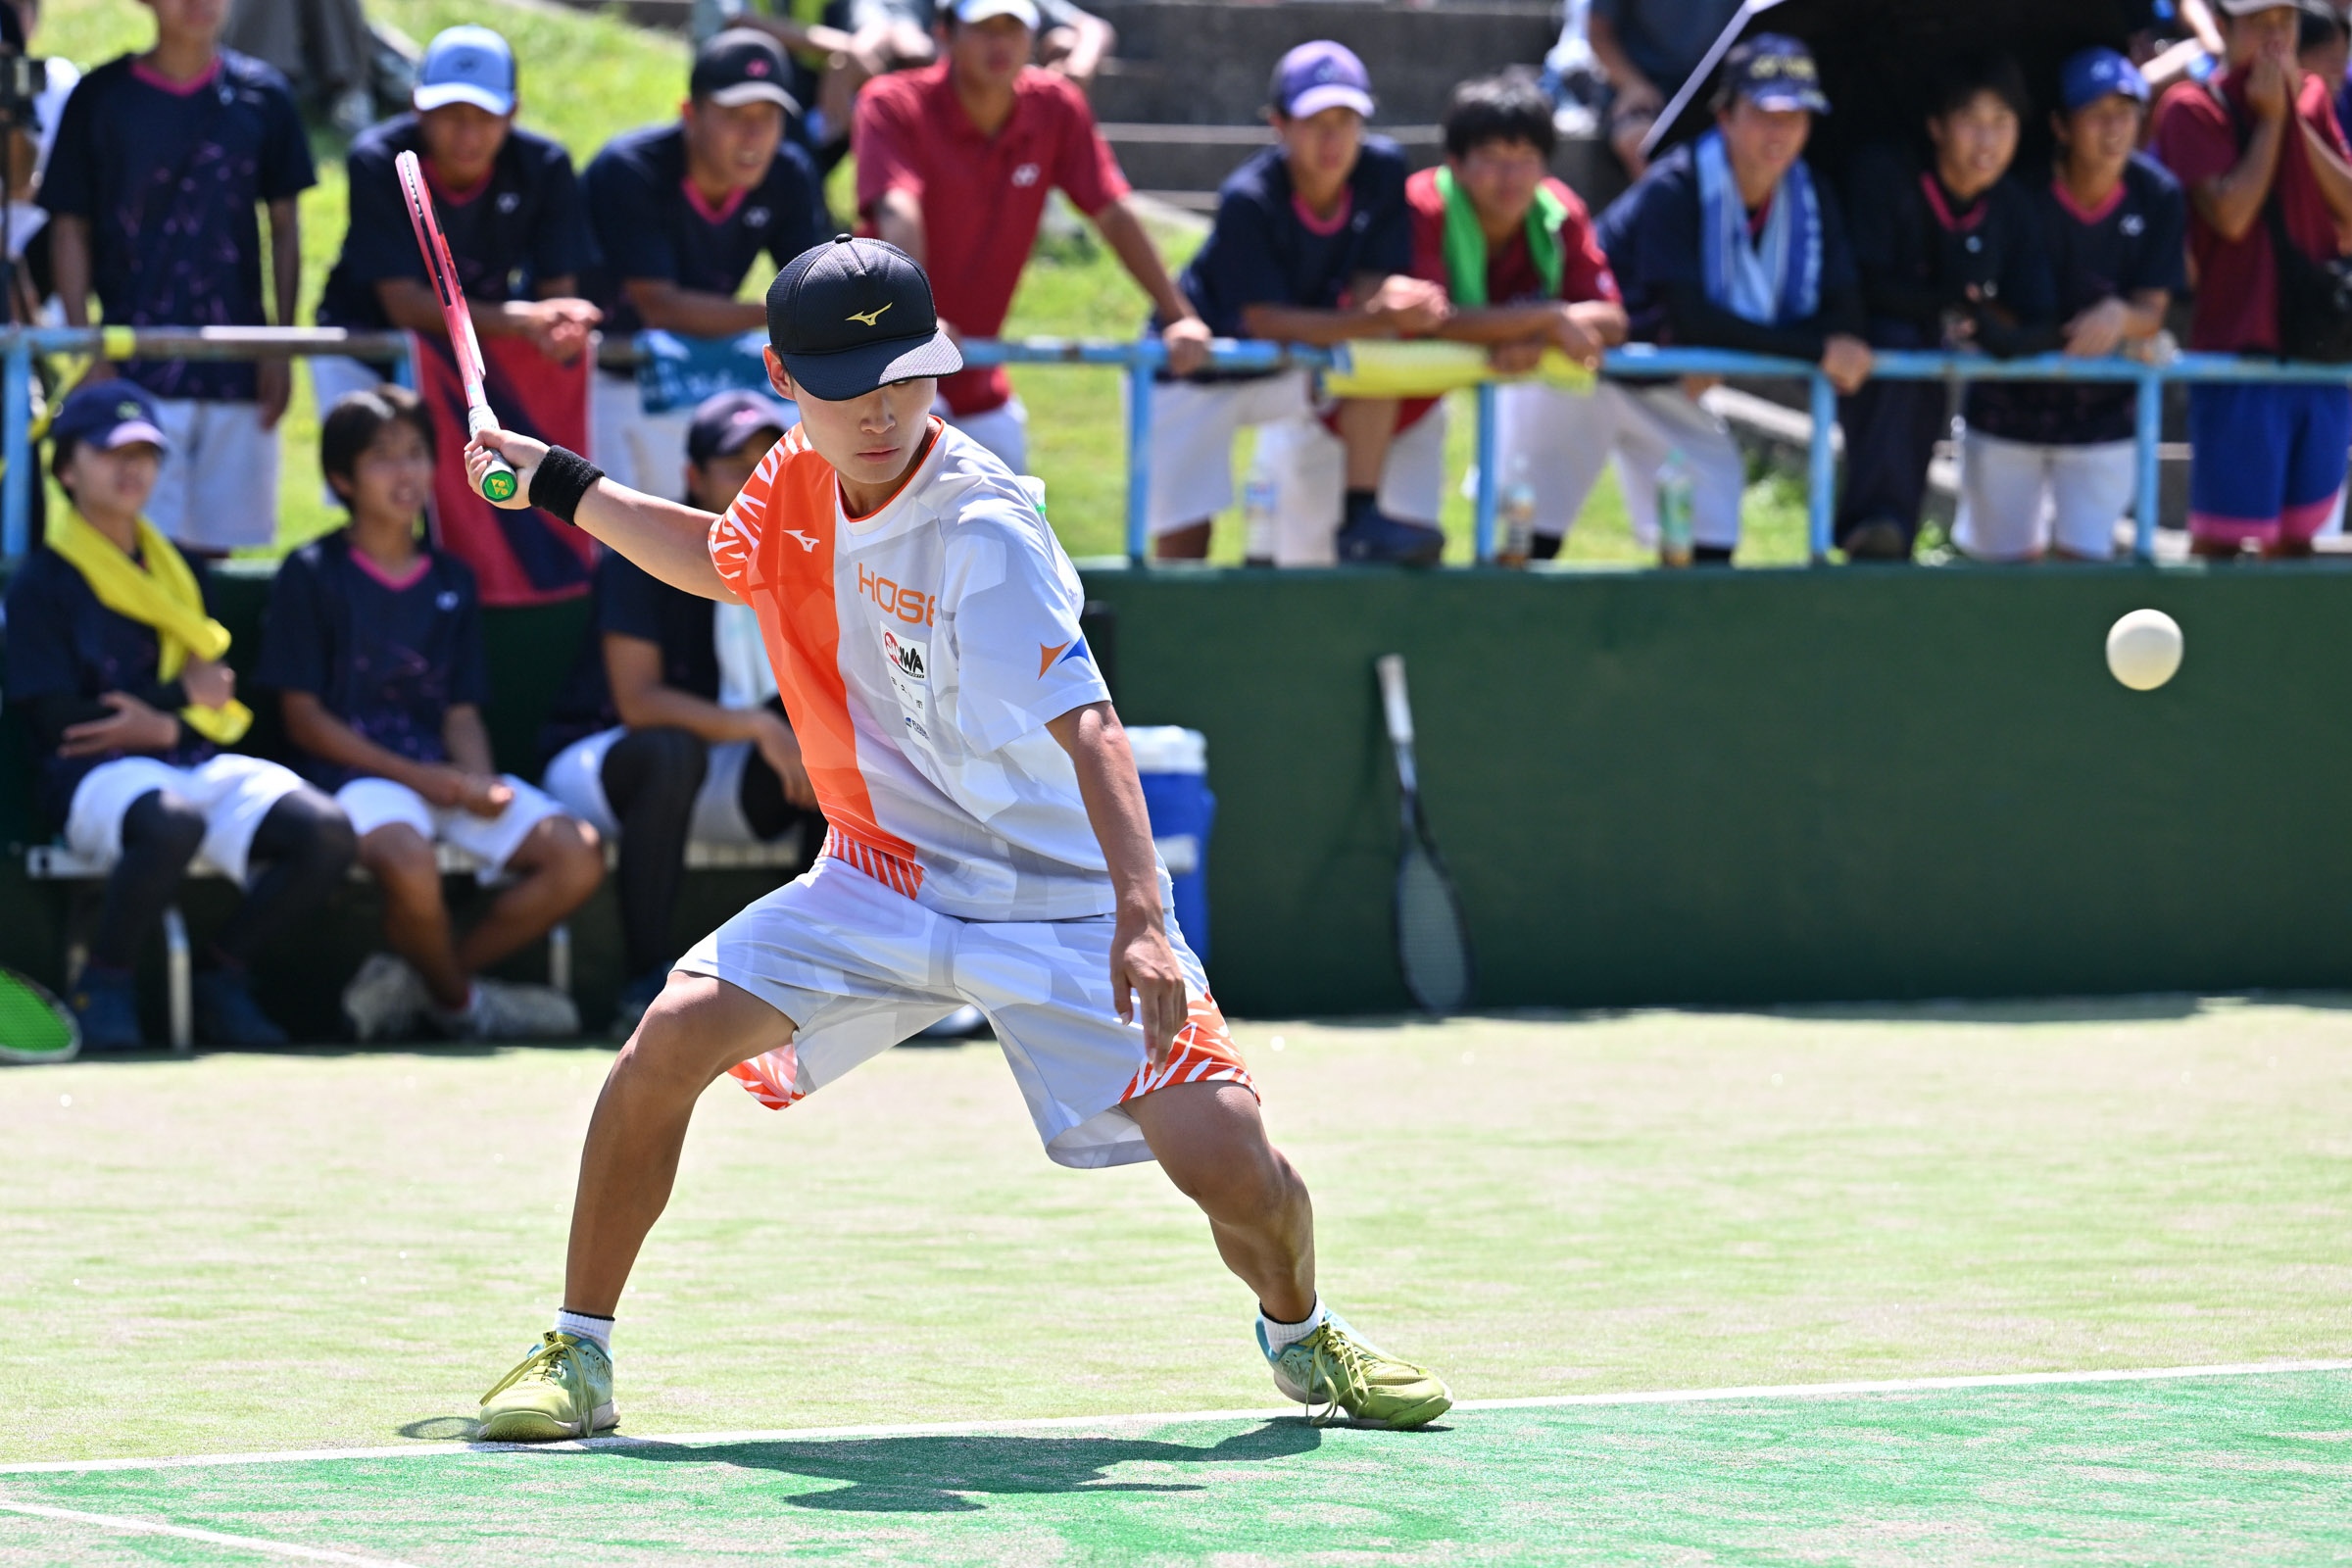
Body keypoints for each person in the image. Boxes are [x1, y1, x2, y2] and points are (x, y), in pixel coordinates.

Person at [462, 235, 1451, 1440]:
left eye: (904, 377)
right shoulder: (793, 478)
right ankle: (579, 1350)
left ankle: (1303, 1331)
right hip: (878, 874)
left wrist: (1143, 918)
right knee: (668, 1040)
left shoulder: (986, 526)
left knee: (1230, 1161)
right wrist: (557, 481)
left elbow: (1092, 724)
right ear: (783, 378)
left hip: (1060, 897)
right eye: (848, 388)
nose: (880, 412)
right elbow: (724, 562)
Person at [3, 384, 356, 1047]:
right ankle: (103, 984)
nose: (131, 469)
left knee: (327, 831)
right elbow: (57, 720)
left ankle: (222, 974)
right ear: (67, 470)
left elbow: (216, 695)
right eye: (111, 453)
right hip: (87, 779)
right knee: (173, 819)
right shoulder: (42, 583)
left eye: (144, 454)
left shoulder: (182, 570)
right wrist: (171, 706)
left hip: (186, 756)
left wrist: (166, 724)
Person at [255, 387, 606, 1042]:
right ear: (341, 479)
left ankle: (422, 986)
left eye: (416, 453)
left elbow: (460, 709)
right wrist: (428, 780)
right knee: (409, 860)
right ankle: (463, 1007)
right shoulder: (310, 573)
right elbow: (305, 721)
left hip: (442, 780)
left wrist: (479, 781)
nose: (406, 472)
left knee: (576, 854)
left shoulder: (452, 578)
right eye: (382, 457)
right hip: (353, 783)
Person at [539, 390, 826, 1035]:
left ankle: (814, 976)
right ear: (693, 476)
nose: (752, 482)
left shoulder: (803, 557)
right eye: (734, 466)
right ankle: (645, 983)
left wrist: (791, 733)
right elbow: (638, 704)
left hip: (723, 770)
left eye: (766, 465)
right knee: (671, 752)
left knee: (838, 752)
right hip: (603, 761)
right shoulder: (640, 553)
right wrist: (759, 726)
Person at [853, 0, 1209, 476]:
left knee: (1017, 519)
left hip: (980, 382)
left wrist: (1179, 317)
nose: (1000, 42)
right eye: (984, 27)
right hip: (878, 376)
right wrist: (917, 319)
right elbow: (899, 208)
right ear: (945, 34)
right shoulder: (890, 102)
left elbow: (1112, 209)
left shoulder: (1056, 107)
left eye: (1013, 27)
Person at [1147, 41, 1452, 564]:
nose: (1332, 139)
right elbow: (1264, 321)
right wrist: (1376, 314)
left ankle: (1361, 516)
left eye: (1346, 120)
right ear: (1279, 125)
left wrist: (1399, 302)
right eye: (1315, 122)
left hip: (1296, 365)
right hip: (1195, 369)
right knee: (1184, 541)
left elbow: (1373, 281)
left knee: (1378, 354)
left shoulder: (1382, 169)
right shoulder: (1248, 196)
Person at [40, 0, 316, 557]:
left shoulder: (266, 96)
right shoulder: (100, 97)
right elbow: (69, 225)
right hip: (131, 368)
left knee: (217, 551)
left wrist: (280, 348)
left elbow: (285, 228)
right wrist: (87, 347)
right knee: (131, 545)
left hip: (237, 365)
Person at [1590, 36, 1870, 563]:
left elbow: (1844, 312)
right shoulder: (1675, 185)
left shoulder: (1811, 195)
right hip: (1582, 373)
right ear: (1725, 116)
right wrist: (1817, 351)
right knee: (1525, 530)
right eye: (1764, 114)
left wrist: (1822, 343)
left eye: (1795, 116)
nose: (1779, 132)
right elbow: (1696, 322)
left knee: (1711, 524)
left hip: (1668, 387)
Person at [1953, 50, 2186, 564]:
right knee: (2000, 575)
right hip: (2004, 407)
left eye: (2125, 112)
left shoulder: (2160, 195)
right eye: (2096, 114)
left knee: (2085, 577)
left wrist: (2120, 316)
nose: (2114, 128)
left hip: (2106, 419)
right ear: (2061, 126)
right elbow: (1986, 301)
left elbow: (2152, 312)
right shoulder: (2016, 192)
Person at [582, 30, 830, 502]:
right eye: (735, 115)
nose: (754, 134)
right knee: (618, 535)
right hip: (605, 377)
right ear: (690, 114)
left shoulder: (788, 172)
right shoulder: (630, 168)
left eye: (768, 116)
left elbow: (815, 285)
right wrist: (782, 312)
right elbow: (660, 307)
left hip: (699, 375)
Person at [312, 26, 600, 421]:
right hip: (367, 353)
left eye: (485, 116)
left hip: (478, 357)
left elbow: (556, 292)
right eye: (450, 113)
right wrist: (526, 321)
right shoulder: (378, 161)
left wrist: (561, 325)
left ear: (513, 112)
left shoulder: (545, 166)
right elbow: (403, 306)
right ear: (417, 105)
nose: (467, 134)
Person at [1837, 55, 2060, 561]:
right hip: (1874, 361)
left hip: (1949, 372)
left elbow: (2043, 319)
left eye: (2002, 122)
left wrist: (1997, 334)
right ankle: (1875, 526)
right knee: (1899, 346)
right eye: (1971, 121)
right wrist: (1947, 303)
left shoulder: (2012, 206)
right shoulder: (1884, 175)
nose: (1988, 141)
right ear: (1936, 126)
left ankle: (1892, 533)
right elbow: (1863, 285)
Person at [1398, 71, 1629, 559]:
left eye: (1526, 159)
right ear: (1455, 163)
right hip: (1394, 402)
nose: (1512, 176)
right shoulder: (1421, 206)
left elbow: (1612, 319)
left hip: (1515, 387)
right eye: (1492, 158)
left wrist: (1538, 335)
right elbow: (1434, 320)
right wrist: (1549, 319)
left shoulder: (1559, 210)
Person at [2155, 0, 2352, 556]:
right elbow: (2233, 215)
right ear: (2221, 28)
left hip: (2317, 357)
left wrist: (2292, 117)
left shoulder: (2312, 96)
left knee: (2298, 545)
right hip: (2235, 358)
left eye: (2285, 21)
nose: (2275, 37)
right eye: (2259, 23)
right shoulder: (2190, 108)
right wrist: (2270, 121)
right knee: (2221, 545)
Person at [1587, 0, 1742, 179]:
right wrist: (1632, 84)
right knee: (1641, 142)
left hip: (1720, 89)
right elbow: (1597, 30)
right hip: (1650, 92)